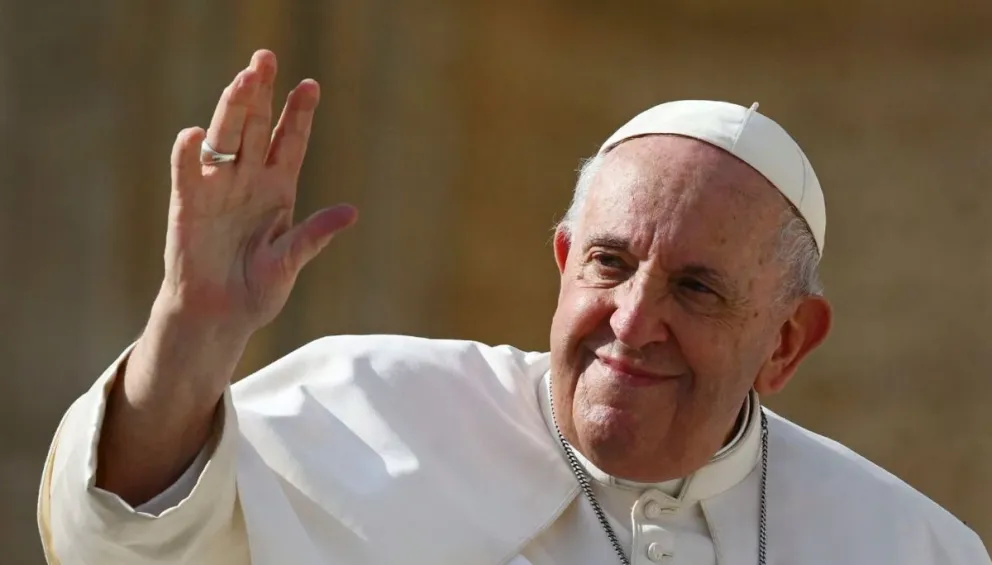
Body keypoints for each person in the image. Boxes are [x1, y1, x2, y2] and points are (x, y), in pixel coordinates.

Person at [37, 49, 988, 565]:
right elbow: (114, 548)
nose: (632, 318)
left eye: (696, 288)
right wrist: (190, 331)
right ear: (564, 261)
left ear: (787, 342)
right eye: (609, 265)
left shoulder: (911, 546)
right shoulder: (370, 406)